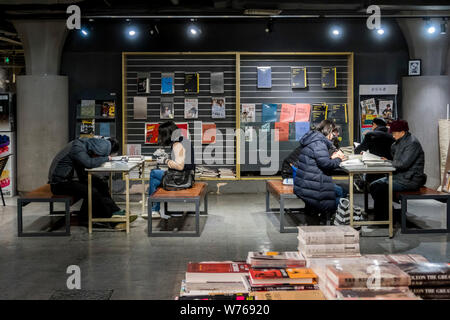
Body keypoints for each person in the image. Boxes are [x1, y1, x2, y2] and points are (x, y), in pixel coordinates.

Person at [48, 137, 137, 230]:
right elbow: (89, 163)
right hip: (59, 183)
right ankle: (111, 220)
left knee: (101, 184)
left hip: (70, 179)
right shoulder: (77, 148)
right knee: (92, 192)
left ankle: (115, 211)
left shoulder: (84, 145)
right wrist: (107, 158)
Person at [369, 120, 427, 222]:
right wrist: (388, 160)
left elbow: (403, 164)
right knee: (373, 185)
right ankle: (387, 213)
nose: (392, 136)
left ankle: (383, 219)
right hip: (400, 176)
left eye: (394, 133)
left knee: (380, 188)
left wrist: (388, 162)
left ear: (402, 132)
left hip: (410, 180)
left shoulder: (412, 143)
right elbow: (397, 160)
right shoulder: (399, 142)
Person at [294, 120, 346, 221]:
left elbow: (320, 161)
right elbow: (326, 164)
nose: (334, 136)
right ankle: (332, 217)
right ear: (329, 131)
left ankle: (324, 215)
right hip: (312, 186)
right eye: (333, 133)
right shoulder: (319, 143)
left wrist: (332, 158)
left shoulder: (313, 139)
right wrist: (339, 159)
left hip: (305, 183)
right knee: (342, 193)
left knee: (341, 190)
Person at [144, 121, 195, 219]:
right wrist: (169, 157)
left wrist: (165, 160)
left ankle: (154, 207)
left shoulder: (177, 145)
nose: (160, 137)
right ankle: (154, 208)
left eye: (161, 134)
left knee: (154, 173)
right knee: (155, 179)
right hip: (187, 176)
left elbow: (180, 166)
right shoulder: (183, 140)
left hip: (181, 179)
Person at [354, 118, 395, 189]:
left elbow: (358, 151)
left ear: (374, 125)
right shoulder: (392, 135)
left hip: (374, 168)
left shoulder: (370, 134)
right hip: (390, 167)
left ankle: (364, 185)